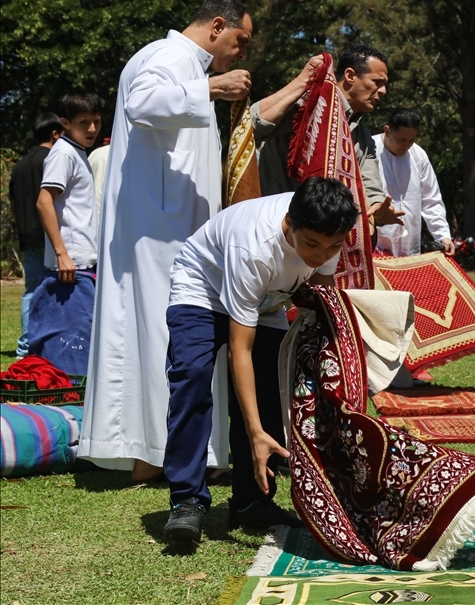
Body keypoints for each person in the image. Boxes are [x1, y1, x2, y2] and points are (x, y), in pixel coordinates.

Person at [81, 0, 253, 481]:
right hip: (158, 227)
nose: (241, 52)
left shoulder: (182, 61)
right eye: (239, 41)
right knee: (162, 332)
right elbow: (142, 103)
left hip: (171, 222)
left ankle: (158, 449)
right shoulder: (168, 55)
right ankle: (155, 452)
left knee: (162, 332)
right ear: (217, 26)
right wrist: (212, 88)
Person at [162, 176, 358, 541]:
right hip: (202, 288)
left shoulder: (329, 231)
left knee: (272, 382)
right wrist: (255, 433)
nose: (319, 256)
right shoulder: (254, 247)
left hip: (267, 296)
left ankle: (252, 501)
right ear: (289, 223)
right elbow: (241, 349)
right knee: (192, 376)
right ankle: (187, 499)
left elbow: (323, 298)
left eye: (331, 247)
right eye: (311, 244)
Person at [251, 46, 404, 228]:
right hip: (274, 225)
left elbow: (370, 182)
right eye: (377, 82)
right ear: (350, 75)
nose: (383, 91)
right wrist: (301, 82)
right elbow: (252, 126)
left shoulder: (362, 135)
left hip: (319, 236)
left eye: (385, 84)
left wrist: (379, 206)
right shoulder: (307, 104)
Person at [8, 113, 63, 357]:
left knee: (31, 291)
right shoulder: (53, 159)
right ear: (55, 134)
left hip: (27, 235)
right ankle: (45, 345)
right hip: (49, 236)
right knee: (56, 290)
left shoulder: (19, 165)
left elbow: (12, 204)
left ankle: (24, 348)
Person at [36, 92, 101, 281]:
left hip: (81, 263)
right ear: (65, 123)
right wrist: (62, 255)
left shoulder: (76, 151)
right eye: (84, 122)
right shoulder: (64, 153)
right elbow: (43, 201)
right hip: (71, 266)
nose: (92, 128)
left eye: (96, 121)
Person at [372, 108, 453, 256]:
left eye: (411, 140)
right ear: (387, 130)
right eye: (401, 140)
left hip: (410, 245)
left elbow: (431, 199)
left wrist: (442, 235)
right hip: (375, 244)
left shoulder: (419, 155)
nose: (406, 145)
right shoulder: (368, 150)